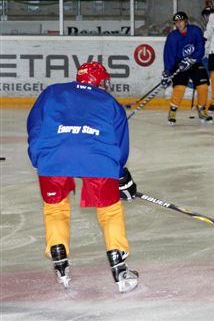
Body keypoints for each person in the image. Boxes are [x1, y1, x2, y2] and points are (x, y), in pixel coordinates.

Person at [26, 62, 139, 293]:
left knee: (55, 209)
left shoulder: (53, 92)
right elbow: (120, 145)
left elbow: (35, 125)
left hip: (53, 157)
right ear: (100, 81)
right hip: (98, 159)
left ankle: (59, 259)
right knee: (109, 211)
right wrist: (120, 175)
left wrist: (39, 156)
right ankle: (119, 266)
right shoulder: (110, 102)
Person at [162, 11, 213, 125]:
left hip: (194, 62)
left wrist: (192, 59)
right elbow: (169, 56)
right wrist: (167, 72)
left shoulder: (195, 31)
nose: (179, 24)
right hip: (180, 65)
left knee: (203, 85)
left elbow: (200, 48)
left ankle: (202, 109)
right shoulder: (172, 37)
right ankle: (173, 110)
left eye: (181, 21)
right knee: (179, 87)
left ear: (186, 21)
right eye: (176, 22)